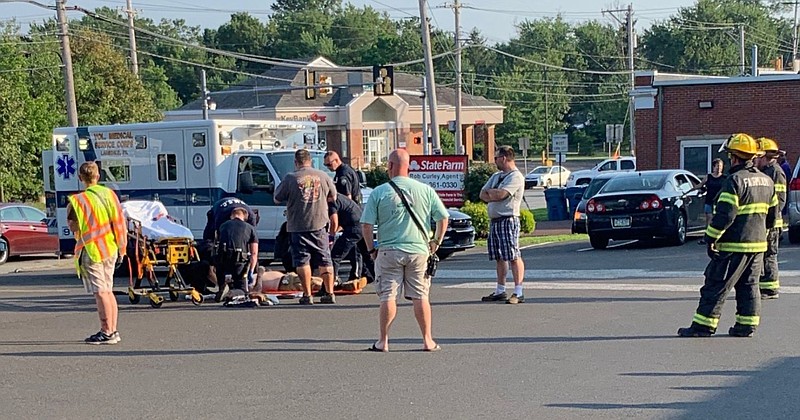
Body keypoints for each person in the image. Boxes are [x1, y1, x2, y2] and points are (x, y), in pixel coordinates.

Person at [678, 133, 778, 338]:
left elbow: (725, 215)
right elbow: (773, 215)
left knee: (716, 285)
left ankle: (703, 326)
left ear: (733, 157)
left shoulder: (734, 181)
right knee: (749, 286)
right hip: (758, 245)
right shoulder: (767, 181)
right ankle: (746, 326)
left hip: (733, 245)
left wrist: (711, 238)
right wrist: (765, 237)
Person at [361, 149, 448, 352]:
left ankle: (383, 340)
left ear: (390, 166)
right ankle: (427, 340)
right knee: (420, 296)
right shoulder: (425, 190)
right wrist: (436, 242)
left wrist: (371, 249)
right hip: (419, 250)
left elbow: (366, 225)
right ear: (409, 166)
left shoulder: (379, 192)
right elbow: (443, 217)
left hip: (388, 250)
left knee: (388, 296)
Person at [66, 161, 127, 345]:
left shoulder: (78, 200)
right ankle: (113, 330)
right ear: (98, 176)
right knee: (108, 291)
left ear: (80, 178)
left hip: (92, 251)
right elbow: (119, 222)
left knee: (100, 292)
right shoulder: (110, 194)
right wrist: (122, 247)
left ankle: (106, 331)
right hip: (110, 247)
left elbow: (73, 225)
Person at [274, 149, 337, 305]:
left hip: (298, 226)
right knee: (324, 259)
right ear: (310, 161)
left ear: (296, 162)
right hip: (319, 224)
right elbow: (333, 196)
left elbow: (276, 198)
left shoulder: (291, 178)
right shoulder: (323, 176)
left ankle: (307, 294)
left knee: (302, 261)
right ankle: (329, 293)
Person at [479, 145, 527, 304]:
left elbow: (502, 194)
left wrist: (492, 194)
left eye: (496, 158)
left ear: (504, 158)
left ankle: (518, 292)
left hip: (508, 219)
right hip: (495, 221)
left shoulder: (515, 177)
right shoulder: (496, 176)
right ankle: (500, 290)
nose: (494, 161)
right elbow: (482, 194)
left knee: (513, 255)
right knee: (499, 257)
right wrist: (493, 194)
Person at [755, 137, 787, 299]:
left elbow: (780, 200)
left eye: (758, 157)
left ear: (766, 156)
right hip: (765, 221)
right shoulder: (766, 171)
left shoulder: (775, 172)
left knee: (770, 254)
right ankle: (764, 286)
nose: (756, 160)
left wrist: (769, 220)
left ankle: (771, 288)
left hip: (772, 223)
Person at [215, 207, 259, 300]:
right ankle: (231, 293)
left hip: (222, 261)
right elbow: (254, 253)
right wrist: (251, 271)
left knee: (222, 283)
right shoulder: (250, 228)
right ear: (245, 217)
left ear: (232, 216)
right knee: (243, 291)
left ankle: (222, 288)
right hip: (239, 262)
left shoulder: (222, 226)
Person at [328, 193, 366, 290]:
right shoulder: (341, 198)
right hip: (361, 224)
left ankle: (330, 285)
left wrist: (331, 238)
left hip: (353, 228)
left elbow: (334, 221)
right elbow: (342, 221)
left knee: (335, 256)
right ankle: (377, 279)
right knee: (366, 255)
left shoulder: (332, 201)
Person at [694, 159, 726, 245]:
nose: (719, 168)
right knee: (709, 219)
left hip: (719, 202)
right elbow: (700, 185)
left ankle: (718, 237)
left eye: (720, 166)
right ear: (713, 167)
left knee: (718, 219)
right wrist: (691, 188)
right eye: (717, 166)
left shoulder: (725, 178)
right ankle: (707, 237)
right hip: (709, 201)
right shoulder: (708, 177)